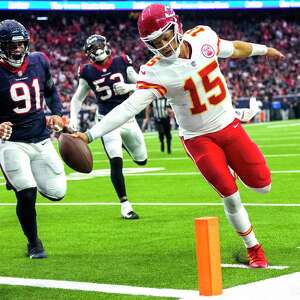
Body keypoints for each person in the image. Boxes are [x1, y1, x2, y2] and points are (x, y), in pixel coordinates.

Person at [74, 4, 284, 268]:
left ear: (177, 26)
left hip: (229, 126)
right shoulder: (154, 71)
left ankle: (235, 166)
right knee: (230, 195)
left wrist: (265, 50)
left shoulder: (204, 37)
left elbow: (235, 48)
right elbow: (129, 107)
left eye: (165, 36)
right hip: (199, 138)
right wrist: (90, 134)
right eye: (155, 42)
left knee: (263, 186)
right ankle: (254, 248)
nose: (164, 45)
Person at [0, 20, 67, 259]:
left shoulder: (39, 61)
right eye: (12, 45)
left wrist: (57, 113)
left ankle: (18, 177)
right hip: (12, 141)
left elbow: (50, 90)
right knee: (27, 193)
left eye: (21, 44)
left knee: (57, 192)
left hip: (40, 137)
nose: (18, 50)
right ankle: (34, 242)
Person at [69, 34, 148, 220]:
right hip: (106, 121)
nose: (97, 50)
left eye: (99, 46)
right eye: (93, 48)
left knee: (142, 159)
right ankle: (125, 206)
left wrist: (129, 87)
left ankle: (125, 145)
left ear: (106, 46)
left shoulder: (121, 60)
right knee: (115, 161)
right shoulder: (87, 71)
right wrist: (73, 119)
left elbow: (142, 84)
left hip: (128, 118)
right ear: (88, 53)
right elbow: (77, 98)